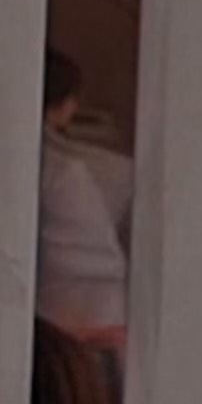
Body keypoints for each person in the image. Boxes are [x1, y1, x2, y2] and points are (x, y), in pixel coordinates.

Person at [37, 49, 128, 341]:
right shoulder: (67, 174)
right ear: (65, 106)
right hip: (71, 320)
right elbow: (95, 271)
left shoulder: (66, 168)